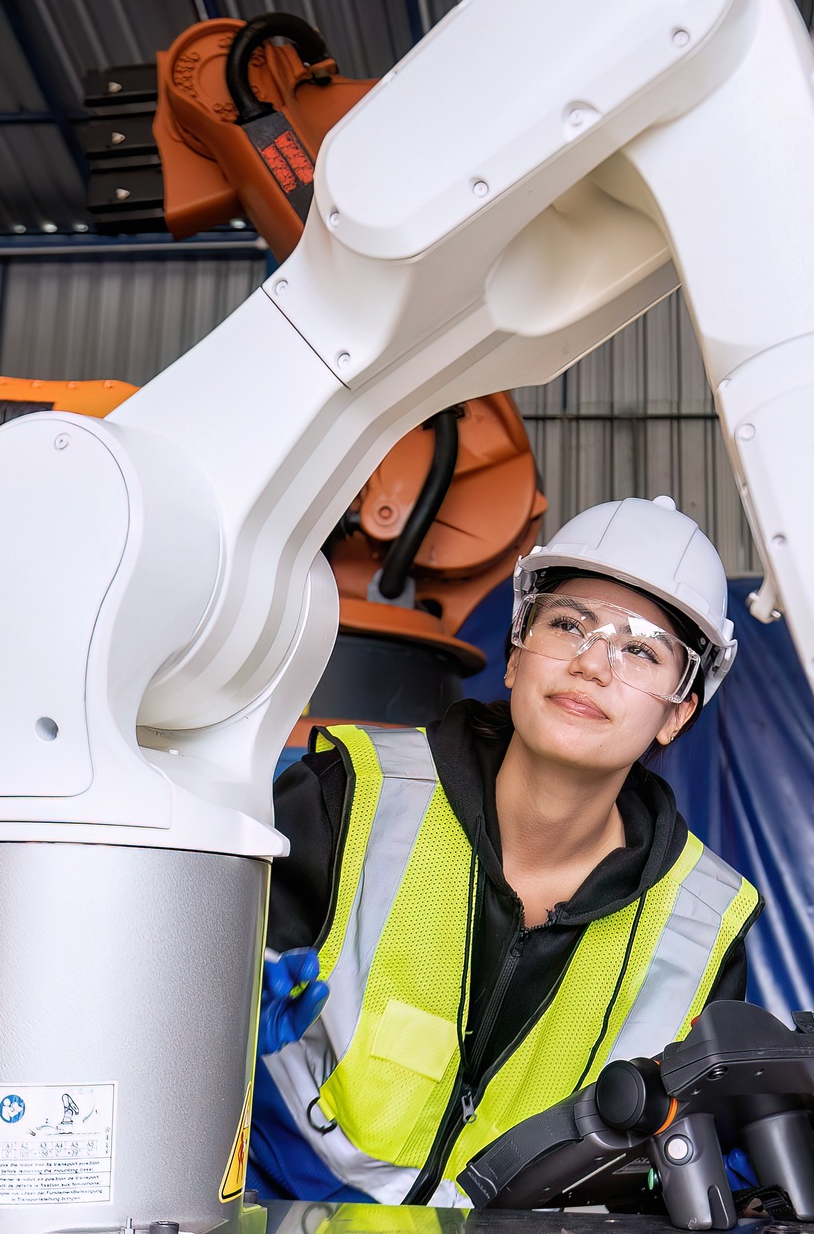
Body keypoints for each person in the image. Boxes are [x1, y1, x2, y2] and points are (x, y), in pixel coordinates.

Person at [249, 496, 763, 1207]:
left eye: (640, 648)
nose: (591, 662)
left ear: (677, 711)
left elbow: (670, 1168)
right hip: (288, 1212)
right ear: (517, 654)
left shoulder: (704, 923)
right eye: (568, 624)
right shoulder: (352, 793)